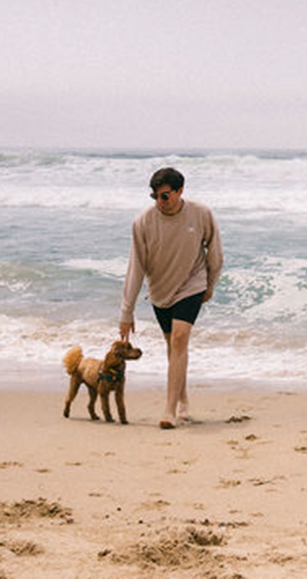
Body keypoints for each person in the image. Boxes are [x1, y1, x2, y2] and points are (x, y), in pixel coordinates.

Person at [119, 166, 222, 429]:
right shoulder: (143, 222)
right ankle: (183, 399)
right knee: (172, 345)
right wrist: (126, 312)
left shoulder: (201, 214)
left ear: (180, 191)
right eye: (155, 196)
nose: (160, 201)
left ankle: (169, 411)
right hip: (160, 289)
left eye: (165, 196)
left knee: (179, 339)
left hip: (192, 283)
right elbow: (136, 267)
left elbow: (215, 253)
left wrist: (209, 285)